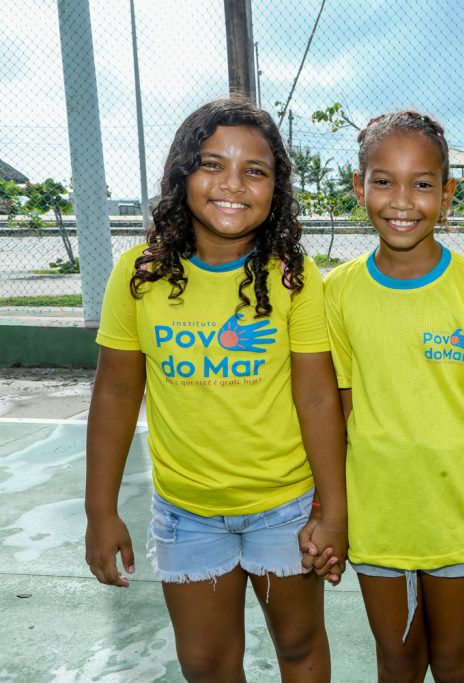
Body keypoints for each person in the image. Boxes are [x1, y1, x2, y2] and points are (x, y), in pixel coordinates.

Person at [84, 98, 345, 683]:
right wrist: (100, 512)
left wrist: (335, 511)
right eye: (212, 164)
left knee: (300, 646)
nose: (233, 184)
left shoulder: (293, 277)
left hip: (283, 509)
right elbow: (115, 397)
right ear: (182, 175)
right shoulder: (139, 275)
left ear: (276, 187)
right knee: (206, 663)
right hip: (187, 515)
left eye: (255, 170)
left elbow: (317, 399)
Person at [318, 111, 464, 682]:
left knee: (453, 660)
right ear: (358, 186)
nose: (403, 200)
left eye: (422, 183)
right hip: (380, 518)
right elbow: (341, 411)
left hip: (462, 516)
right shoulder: (338, 292)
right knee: (397, 659)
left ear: (448, 194)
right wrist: (334, 513)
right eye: (383, 180)